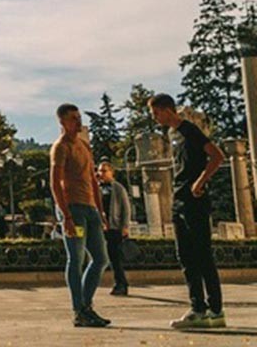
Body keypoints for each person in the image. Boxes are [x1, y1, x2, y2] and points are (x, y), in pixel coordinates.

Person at [149, 93, 227, 329]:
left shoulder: (190, 130)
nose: (154, 117)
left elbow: (217, 156)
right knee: (186, 256)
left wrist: (200, 181)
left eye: (155, 112)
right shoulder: (174, 136)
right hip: (179, 200)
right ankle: (198, 308)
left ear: (166, 110)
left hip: (194, 200)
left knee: (202, 254)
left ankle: (215, 309)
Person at [50, 103, 110, 328]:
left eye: (79, 117)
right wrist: (65, 216)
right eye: (73, 119)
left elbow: (93, 180)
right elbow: (55, 182)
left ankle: (86, 306)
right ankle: (79, 310)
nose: (78, 122)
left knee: (101, 259)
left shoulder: (84, 145)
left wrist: (101, 211)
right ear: (62, 122)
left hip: (90, 209)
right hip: (73, 208)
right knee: (76, 260)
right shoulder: (60, 147)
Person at [97, 162, 132, 296]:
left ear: (112, 172)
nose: (101, 174)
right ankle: (120, 282)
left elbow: (126, 207)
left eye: (104, 171)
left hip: (115, 227)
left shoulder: (117, 188)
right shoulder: (97, 188)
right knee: (107, 256)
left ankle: (121, 284)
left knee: (115, 257)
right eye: (100, 171)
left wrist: (125, 226)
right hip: (102, 227)